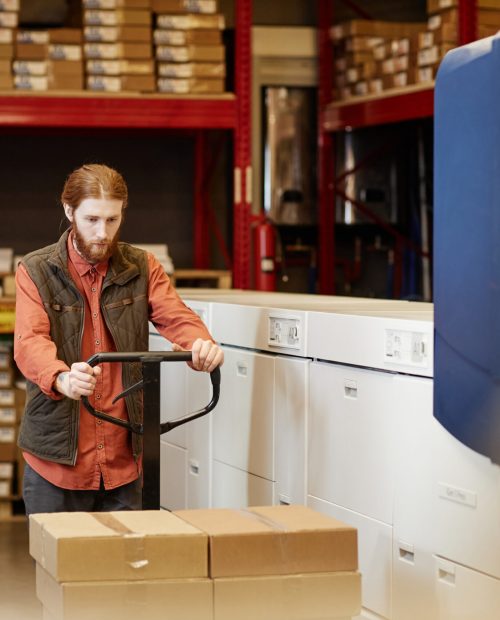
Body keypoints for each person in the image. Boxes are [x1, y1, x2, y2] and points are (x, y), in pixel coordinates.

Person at [14, 163, 224, 516]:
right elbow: (30, 341)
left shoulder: (142, 266)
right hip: (57, 464)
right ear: (69, 211)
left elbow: (177, 316)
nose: (102, 232)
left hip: (124, 460)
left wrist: (199, 344)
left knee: (127, 569)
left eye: (112, 220)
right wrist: (61, 377)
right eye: (92, 219)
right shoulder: (36, 269)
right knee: (61, 571)